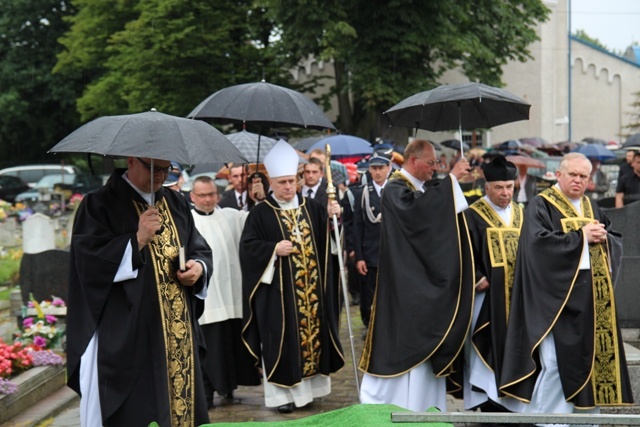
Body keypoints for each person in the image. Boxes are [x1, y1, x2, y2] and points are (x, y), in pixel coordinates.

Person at [67, 157, 213, 427]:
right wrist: (137, 241)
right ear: (131, 161)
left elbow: (198, 247)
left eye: (165, 169)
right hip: (128, 330)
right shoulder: (98, 204)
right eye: (152, 168)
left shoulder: (175, 201)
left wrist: (199, 268)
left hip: (177, 330)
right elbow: (88, 264)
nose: (160, 176)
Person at [500, 153, 633, 423]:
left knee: (591, 364)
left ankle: (586, 420)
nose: (578, 180)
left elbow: (612, 238)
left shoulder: (591, 207)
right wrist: (580, 236)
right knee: (555, 365)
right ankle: (548, 421)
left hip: (592, 298)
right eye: (572, 174)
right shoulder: (542, 205)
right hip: (555, 298)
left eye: (584, 176)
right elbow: (536, 246)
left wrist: (605, 239)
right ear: (558, 175)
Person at [359, 139, 473, 412]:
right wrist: (452, 180)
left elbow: (433, 220)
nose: (435, 168)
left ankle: (423, 405)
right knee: (403, 340)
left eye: (437, 164)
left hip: (416, 280)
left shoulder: (419, 188)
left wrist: (449, 184)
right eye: (431, 163)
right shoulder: (395, 189)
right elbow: (419, 214)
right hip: (403, 286)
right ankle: (387, 402)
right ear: (413, 161)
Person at [239, 140, 345, 414]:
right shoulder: (261, 213)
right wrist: (272, 249)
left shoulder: (313, 208)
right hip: (278, 297)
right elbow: (248, 249)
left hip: (313, 295)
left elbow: (329, 245)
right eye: (282, 182)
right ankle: (281, 398)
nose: (288, 187)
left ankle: (310, 392)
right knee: (281, 342)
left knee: (314, 339)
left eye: (291, 181)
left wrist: (335, 220)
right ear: (271, 182)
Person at [190, 176, 261, 409]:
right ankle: (208, 393)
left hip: (231, 295)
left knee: (231, 345)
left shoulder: (230, 216)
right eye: (202, 195)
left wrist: (258, 200)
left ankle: (229, 387)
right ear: (193, 196)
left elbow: (257, 221)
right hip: (207, 299)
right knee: (210, 350)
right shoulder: (187, 222)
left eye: (211, 194)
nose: (208, 199)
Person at [462, 156, 524, 413]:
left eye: (509, 187)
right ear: (486, 186)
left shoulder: (523, 213)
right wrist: (476, 276)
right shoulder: (472, 214)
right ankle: (489, 404)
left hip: (520, 299)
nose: (505, 192)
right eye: (499, 187)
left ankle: (517, 404)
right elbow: (461, 252)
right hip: (487, 301)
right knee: (486, 349)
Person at [352, 151, 391, 332]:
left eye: (381, 168)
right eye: (374, 168)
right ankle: (371, 327)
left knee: (391, 293)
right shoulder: (363, 194)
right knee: (370, 295)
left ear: (388, 168)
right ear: (369, 170)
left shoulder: (395, 191)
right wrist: (359, 257)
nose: (377, 172)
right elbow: (358, 228)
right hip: (371, 254)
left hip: (392, 253)